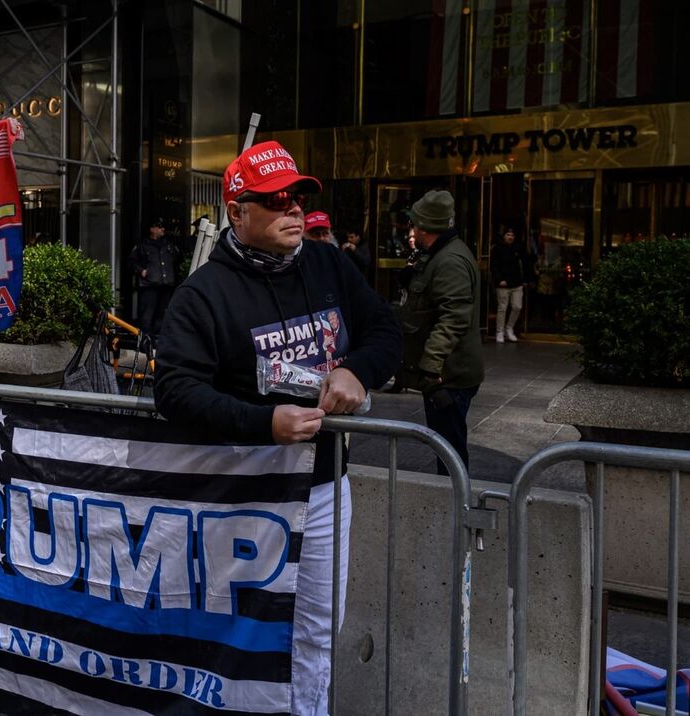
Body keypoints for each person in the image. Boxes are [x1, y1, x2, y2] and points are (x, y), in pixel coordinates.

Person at [154, 140, 401, 715]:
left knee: (315, 630)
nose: (293, 209)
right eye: (274, 201)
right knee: (232, 630)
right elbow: (176, 389)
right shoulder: (202, 294)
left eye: (296, 197)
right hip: (241, 491)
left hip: (322, 488)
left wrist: (356, 370)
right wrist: (263, 422)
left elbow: (385, 331)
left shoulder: (328, 262)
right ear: (236, 213)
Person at [399, 190, 484, 476]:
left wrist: (431, 368)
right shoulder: (438, 255)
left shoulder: (449, 261)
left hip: (448, 377)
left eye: (414, 224)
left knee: (449, 450)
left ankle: (455, 505)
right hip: (445, 374)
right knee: (447, 446)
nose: (412, 229)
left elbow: (454, 319)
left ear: (424, 227)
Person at [128, 219, 180, 337]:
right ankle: (145, 342)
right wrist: (142, 271)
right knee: (147, 316)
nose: (163, 229)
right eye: (159, 227)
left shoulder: (168, 245)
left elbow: (176, 260)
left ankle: (158, 342)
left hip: (165, 285)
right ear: (152, 229)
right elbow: (132, 263)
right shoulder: (143, 246)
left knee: (162, 316)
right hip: (149, 286)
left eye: (163, 227)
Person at [490, 225, 525, 343]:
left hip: (517, 282)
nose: (510, 237)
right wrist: (499, 279)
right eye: (508, 235)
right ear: (504, 236)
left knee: (517, 306)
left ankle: (509, 328)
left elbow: (523, 264)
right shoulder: (497, 249)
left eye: (512, 235)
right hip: (503, 283)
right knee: (502, 308)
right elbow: (494, 266)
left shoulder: (518, 248)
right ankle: (499, 331)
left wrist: (524, 279)